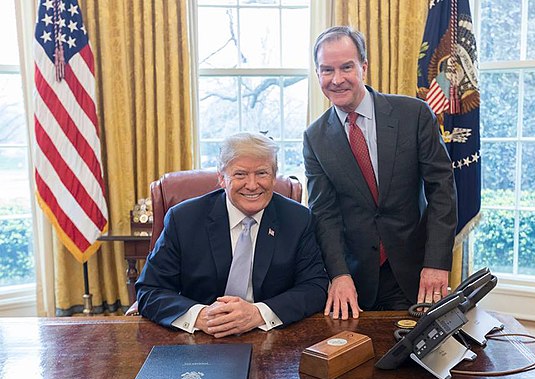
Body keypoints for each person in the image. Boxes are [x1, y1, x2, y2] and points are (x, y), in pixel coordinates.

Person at [303, 26, 457, 320]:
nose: (337, 79)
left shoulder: (414, 115)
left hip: (415, 271)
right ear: (317, 73)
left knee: (415, 358)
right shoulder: (315, 137)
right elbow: (324, 213)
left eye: (346, 67)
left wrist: (437, 262)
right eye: (326, 70)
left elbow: (442, 190)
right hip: (355, 281)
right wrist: (338, 274)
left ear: (363, 66)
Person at [136, 132, 329, 337]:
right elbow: (150, 290)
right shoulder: (184, 219)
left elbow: (315, 287)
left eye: (262, 173)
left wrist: (259, 313)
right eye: (240, 174)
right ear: (221, 178)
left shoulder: (298, 219)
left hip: (270, 335)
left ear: (274, 177)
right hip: (200, 338)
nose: (253, 185)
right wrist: (201, 316)